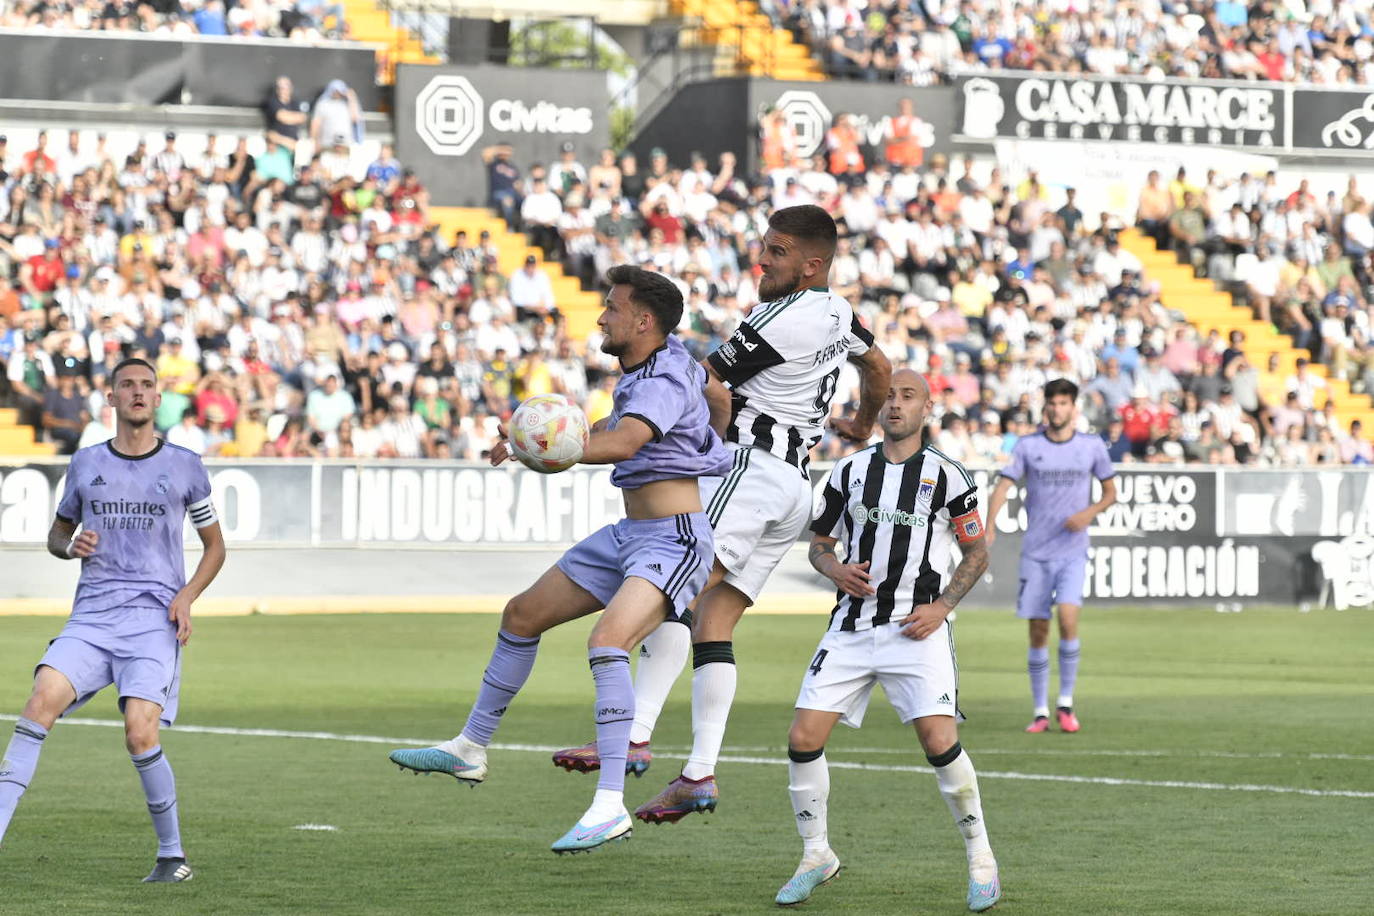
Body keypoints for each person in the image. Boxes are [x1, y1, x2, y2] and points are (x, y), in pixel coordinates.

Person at [551, 205, 893, 825]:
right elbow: (877, 367)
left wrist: (688, 430)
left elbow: (703, 380)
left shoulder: (782, 319)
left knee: (672, 588)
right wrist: (863, 423)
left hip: (750, 467)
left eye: (779, 251)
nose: (762, 258)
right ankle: (699, 774)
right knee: (714, 622)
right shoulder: (838, 313)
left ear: (813, 263)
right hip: (791, 486)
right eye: (765, 246)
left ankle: (634, 735)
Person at [386, 266, 732, 853]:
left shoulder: (663, 376)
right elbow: (715, 396)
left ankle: (609, 806)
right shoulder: (664, 363)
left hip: (674, 538)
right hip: (632, 533)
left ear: (643, 321)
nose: (601, 316)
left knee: (607, 642)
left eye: (612, 307)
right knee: (521, 614)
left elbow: (623, 442)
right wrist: (710, 440)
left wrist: (545, 449)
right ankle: (470, 748)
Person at [776, 369, 999, 911]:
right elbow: (819, 546)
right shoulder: (848, 471)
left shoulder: (949, 477)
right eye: (890, 397)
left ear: (928, 408)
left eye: (908, 396)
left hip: (915, 631)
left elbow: (977, 553)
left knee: (938, 744)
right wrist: (835, 570)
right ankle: (815, 856)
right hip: (851, 627)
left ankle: (982, 861)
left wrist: (942, 606)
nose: (895, 405)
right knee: (803, 737)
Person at [0, 358, 225, 882]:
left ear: (158, 398)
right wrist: (68, 545)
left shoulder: (187, 465)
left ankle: (172, 857)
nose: (139, 393)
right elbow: (58, 534)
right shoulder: (85, 463)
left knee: (139, 733)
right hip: (93, 617)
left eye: (147, 386)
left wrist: (187, 596)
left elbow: (215, 548)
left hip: (152, 620)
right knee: (38, 703)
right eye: (128, 385)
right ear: (112, 398)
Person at [985, 379, 1118, 733]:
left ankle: (1066, 704)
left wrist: (1088, 514)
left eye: (1062, 403)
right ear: (1045, 408)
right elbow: (1003, 486)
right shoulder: (1028, 446)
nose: (1056, 409)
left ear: (1073, 408)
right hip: (1036, 552)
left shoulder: (1090, 446)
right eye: (1051, 403)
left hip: (1073, 551)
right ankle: (1041, 710)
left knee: (1069, 621)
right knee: (1038, 629)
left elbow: (1110, 492)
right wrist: (989, 525)